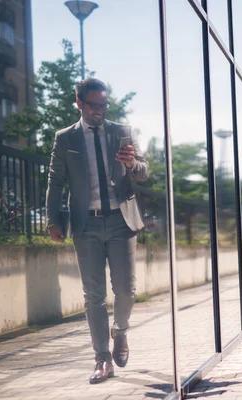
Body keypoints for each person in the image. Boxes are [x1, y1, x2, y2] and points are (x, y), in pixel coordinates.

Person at [46, 78, 149, 384]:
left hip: (121, 219)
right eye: (94, 105)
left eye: (104, 104)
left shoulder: (123, 131)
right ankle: (102, 359)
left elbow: (144, 172)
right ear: (79, 103)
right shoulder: (66, 139)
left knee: (126, 291)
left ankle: (120, 331)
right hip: (85, 224)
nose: (100, 110)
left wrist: (132, 164)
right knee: (94, 296)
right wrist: (53, 221)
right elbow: (56, 181)